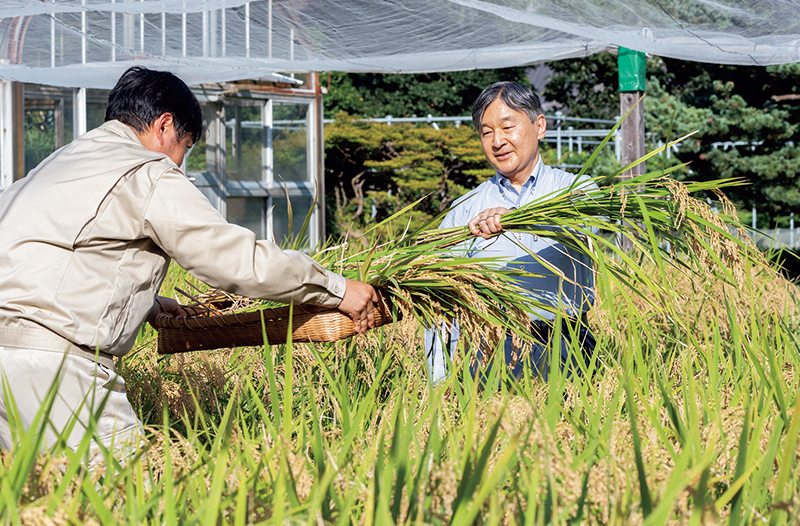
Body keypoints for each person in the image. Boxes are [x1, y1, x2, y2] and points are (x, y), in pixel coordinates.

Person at [0, 66, 378, 454]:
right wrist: (336, 288)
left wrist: (143, 302)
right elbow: (233, 260)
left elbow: (60, 257)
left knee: (43, 502)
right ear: (165, 126)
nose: (180, 163)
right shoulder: (145, 171)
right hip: (54, 367)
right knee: (131, 501)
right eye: (185, 147)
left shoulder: (59, 163)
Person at [425, 81, 597, 384]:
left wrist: (518, 219)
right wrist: (439, 383)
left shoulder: (575, 189)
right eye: (486, 132)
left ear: (539, 126)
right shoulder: (465, 209)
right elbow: (439, 298)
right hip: (488, 354)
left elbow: (589, 224)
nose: (497, 141)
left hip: (567, 348)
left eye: (507, 127)